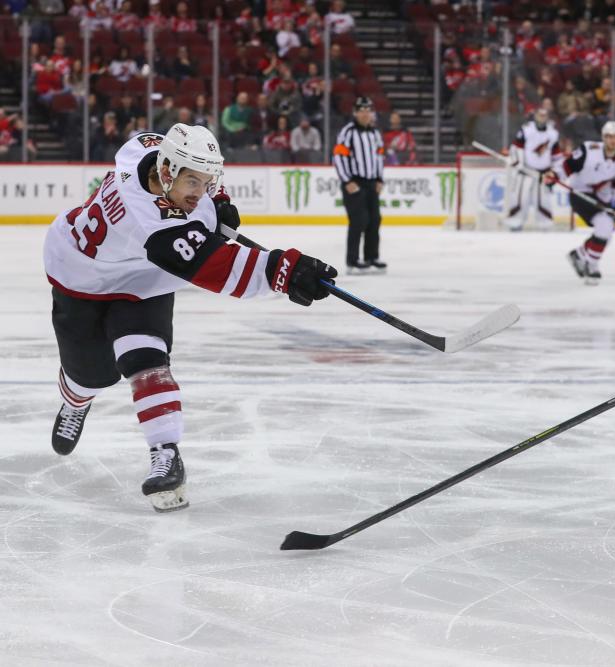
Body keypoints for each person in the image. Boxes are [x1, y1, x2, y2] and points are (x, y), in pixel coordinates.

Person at [43, 124, 338, 512]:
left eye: (206, 181)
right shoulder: (157, 223)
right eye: (192, 182)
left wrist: (216, 200)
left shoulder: (145, 150)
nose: (199, 192)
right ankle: (76, 401)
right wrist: (284, 270)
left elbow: (161, 146)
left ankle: (165, 454)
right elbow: (218, 267)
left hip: (143, 279)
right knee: (91, 376)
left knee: (144, 359)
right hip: (80, 276)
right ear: (166, 173)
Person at [556, 120, 615, 285]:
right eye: (609, 136)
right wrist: (554, 175)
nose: (613, 140)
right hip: (580, 193)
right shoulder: (589, 150)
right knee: (605, 226)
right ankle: (591, 265)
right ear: (603, 138)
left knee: (606, 229)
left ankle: (579, 255)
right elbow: (568, 166)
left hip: (602, 197)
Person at [333, 97, 386, 274]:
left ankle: (371, 257)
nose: (365, 113)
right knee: (359, 221)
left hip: (372, 182)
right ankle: (352, 260)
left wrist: (379, 179)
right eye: (361, 110)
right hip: (354, 182)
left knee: (375, 219)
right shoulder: (348, 132)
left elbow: (379, 157)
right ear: (355, 113)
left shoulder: (375, 133)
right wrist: (347, 181)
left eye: (368, 110)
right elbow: (339, 157)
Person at [506, 107, 562, 231]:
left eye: (544, 115)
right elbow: (516, 147)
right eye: (539, 115)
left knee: (543, 201)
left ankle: (545, 225)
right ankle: (515, 223)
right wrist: (517, 161)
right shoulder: (526, 130)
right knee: (520, 198)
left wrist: (555, 172)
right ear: (535, 115)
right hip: (525, 172)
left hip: (544, 174)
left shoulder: (553, 133)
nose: (542, 117)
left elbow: (557, 155)